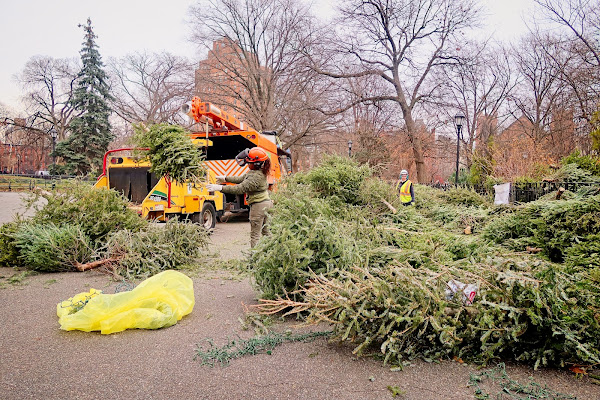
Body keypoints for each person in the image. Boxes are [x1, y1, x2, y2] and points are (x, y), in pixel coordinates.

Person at [206, 147, 273, 248]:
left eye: (248, 161)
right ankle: (275, 253)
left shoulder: (255, 177)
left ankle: (254, 260)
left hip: (259, 206)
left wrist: (220, 188)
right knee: (266, 231)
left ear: (255, 163)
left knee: (255, 235)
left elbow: (239, 189)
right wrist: (225, 178)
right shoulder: (256, 172)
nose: (246, 162)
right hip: (265, 203)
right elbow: (241, 179)